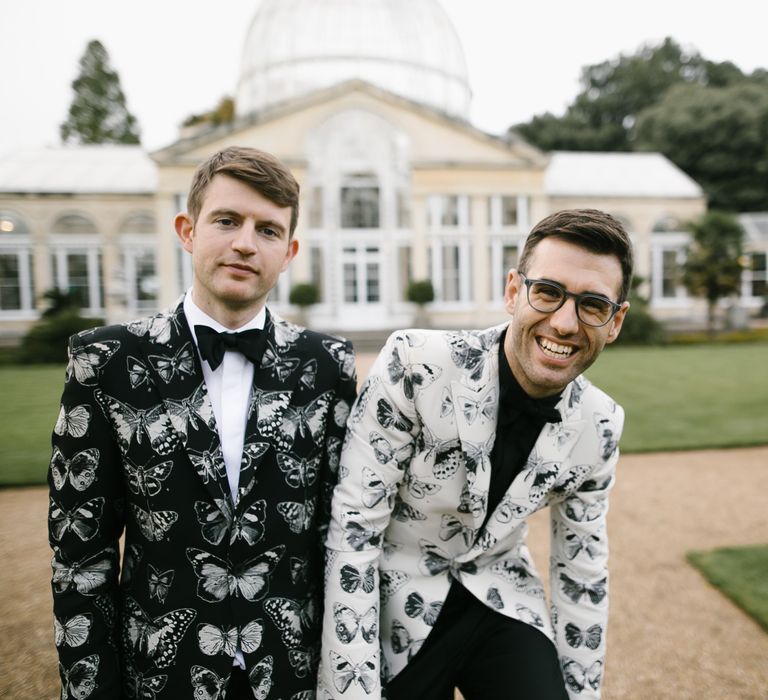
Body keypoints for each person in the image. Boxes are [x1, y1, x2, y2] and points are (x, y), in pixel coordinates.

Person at [48, 146, 357, 699]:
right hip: (161, 674)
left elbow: (338, 538)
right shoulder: (105, 361)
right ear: (187, 230)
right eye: (227, 220)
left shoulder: (328, 366)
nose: (244, 242)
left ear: (288, 253)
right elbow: (81, 558)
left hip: (290, 675)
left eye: (267, 230)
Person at [318, 208, 632, 700]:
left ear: (615, 322)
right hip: (395, 600)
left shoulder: (602, 423)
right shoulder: (414, 362)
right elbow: (354, 529)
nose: (566, 322)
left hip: (501, 595)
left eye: (593, 305)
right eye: (548, 292)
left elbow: (582, 573)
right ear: (513, 291)